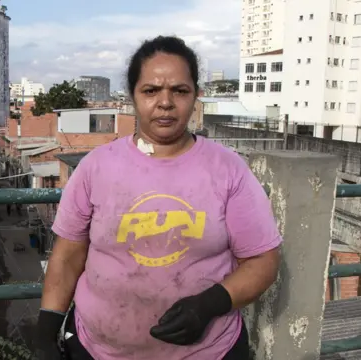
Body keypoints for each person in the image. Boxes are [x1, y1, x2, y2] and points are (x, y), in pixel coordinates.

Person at [34, 35, 282, 360]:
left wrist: (211, 304)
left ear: (197, 97)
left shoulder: (227, 169)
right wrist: (46, 331)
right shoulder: (96, 167)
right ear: (133, 97)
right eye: (151, 90)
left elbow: (263, 260)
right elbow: (67, 257)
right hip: (98, 350)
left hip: (208, 351)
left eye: (180, 91)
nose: (165, 102)